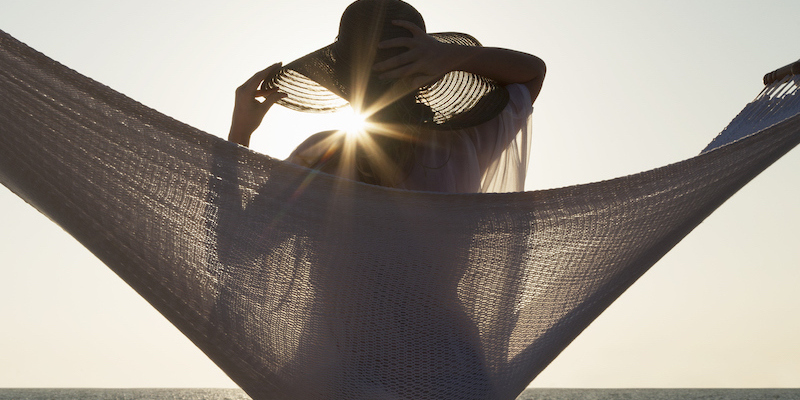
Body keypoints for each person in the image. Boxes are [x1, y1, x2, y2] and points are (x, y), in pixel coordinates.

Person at [228, 0, 545, 193]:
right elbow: (533, 73)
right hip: (440, 308)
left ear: (341, 80)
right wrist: (449, 57)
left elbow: (237, 245)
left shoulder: (320, 157)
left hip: (346, 308)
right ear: (426, 76)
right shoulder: (464, 143)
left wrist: (240, 131)